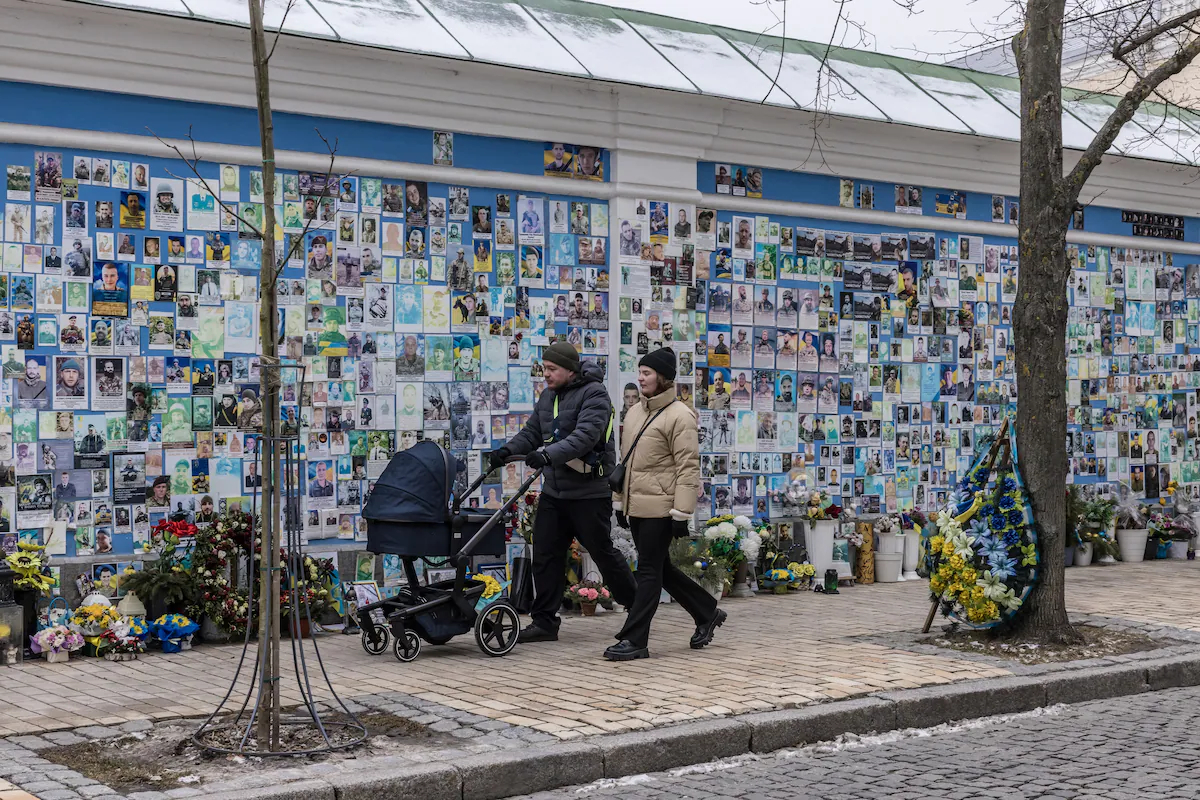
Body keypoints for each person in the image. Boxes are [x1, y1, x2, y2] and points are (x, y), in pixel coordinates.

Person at [486, 342, 636, 642]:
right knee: (545, 553)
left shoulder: (595, 395)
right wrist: (507, 451)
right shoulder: (548, 396)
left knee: (602, 552)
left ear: (571, 369)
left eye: (553, 369)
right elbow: (532, 432)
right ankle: (544, 622)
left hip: (589, 493)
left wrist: (547, 455)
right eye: (545, 368)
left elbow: (584, 438)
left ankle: (638, 605)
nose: (546, 374)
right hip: (556, 491)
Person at [606, 348, 724, 661]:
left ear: (663, 378)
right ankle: (706, 612)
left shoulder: (680, 416)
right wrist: (620, 504)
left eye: (647, 373)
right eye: (640, 372)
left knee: (647, 571)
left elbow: (688, 467)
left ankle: (635, 639)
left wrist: (681, 513)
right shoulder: (633, 413)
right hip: (637, 506)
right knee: (660, 569)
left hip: (662, 507)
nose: (640, 378)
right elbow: (626, 464)